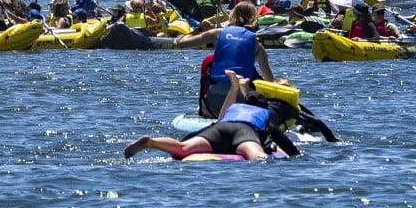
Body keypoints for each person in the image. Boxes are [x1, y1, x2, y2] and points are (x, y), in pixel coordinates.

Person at [123, 70, 300, 161]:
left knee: (183, 148)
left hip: (219, 129)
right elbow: (276, 134)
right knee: (258, 158)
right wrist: (296, 155)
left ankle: (151, 142)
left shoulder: (239, 108)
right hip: (245, 134)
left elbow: (221, 118)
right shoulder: (265, 113)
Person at [176, 2, 274, 118]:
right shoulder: (256, 43)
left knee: (203, 107)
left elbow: (181, 43)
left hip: (215, 99)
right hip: (241, 100)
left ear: (232, 16)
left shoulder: (217, 33)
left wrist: (199, 28)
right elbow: (269, 81)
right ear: (254, 18)